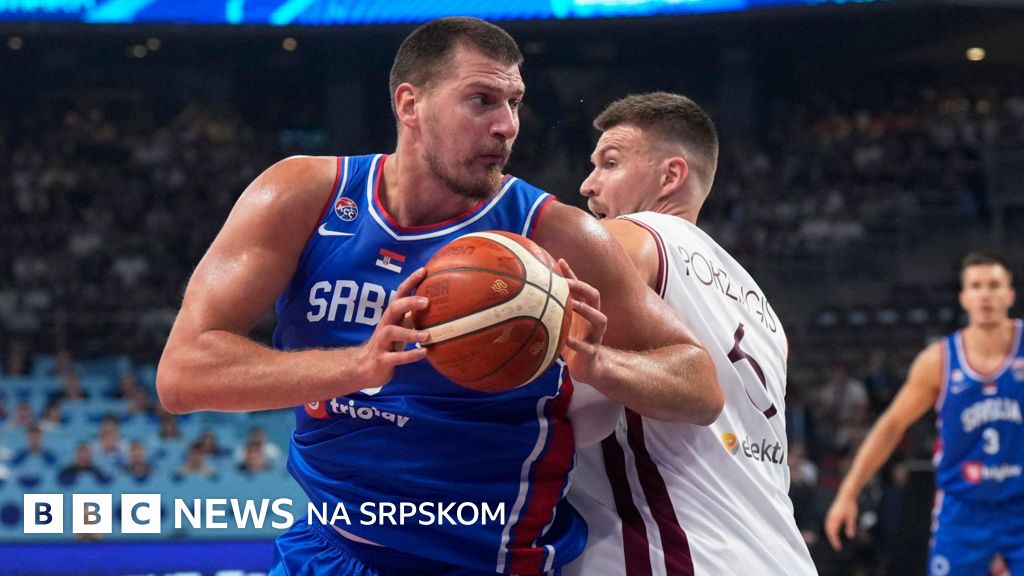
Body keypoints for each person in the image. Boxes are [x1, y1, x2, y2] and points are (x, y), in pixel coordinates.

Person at [157, 17, 722, 576]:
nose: (507, 126)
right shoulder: (305, 196)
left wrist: (599, 364)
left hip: (486, 561)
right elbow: (183, 374)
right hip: (327, 549)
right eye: (482, 101)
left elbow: (700, 384)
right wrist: (357, 365)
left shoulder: (556, 233)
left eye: (515, 103)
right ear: (411, 105)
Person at [565, 92, 816, 575]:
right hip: (781, 556)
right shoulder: (762, 308)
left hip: (684, 555)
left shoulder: (631, 235)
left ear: (671, 176)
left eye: (610, 163)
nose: (588, 184)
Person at [826, 252, 1023, 576]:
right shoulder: (939, 360)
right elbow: (891, 425)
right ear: (964, 297)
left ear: (1010, 294)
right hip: (963, 509)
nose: (985, 294)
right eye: (976, 286)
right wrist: (848, 492)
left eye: (994, 285)